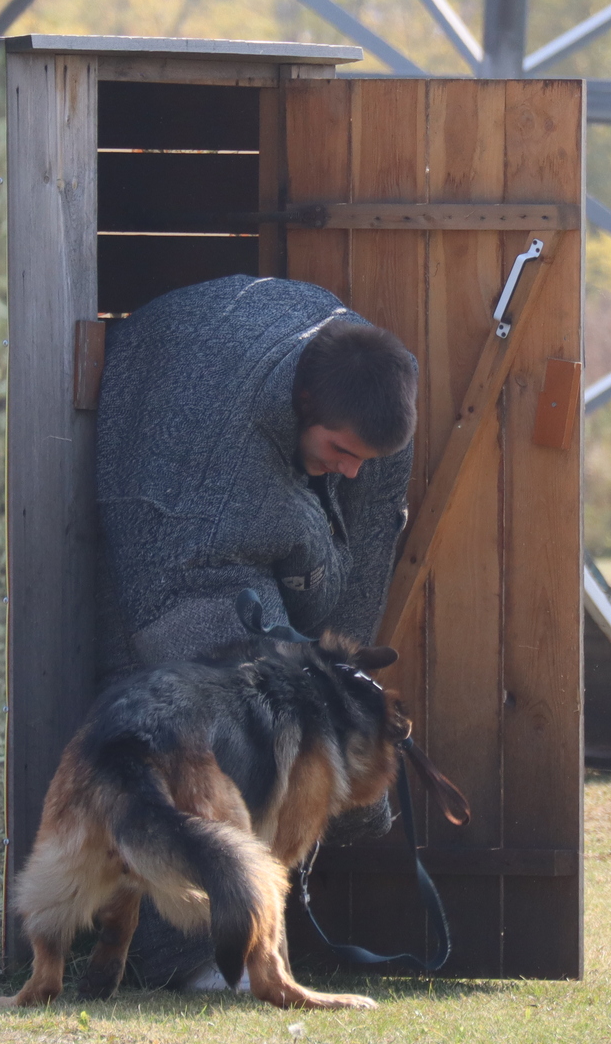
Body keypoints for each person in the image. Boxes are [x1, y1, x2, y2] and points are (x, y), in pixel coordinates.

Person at [89, 272, 418, 988]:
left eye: (367, 459)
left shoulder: (345, 390)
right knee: (205, 741)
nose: (352, 471)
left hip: (247, 555)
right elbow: (179, 611)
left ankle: (247, 942)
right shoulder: (209, 449)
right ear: (303, 403)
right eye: (338, 448)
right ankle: (194, 953)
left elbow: (357, 552)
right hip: (174, 557)